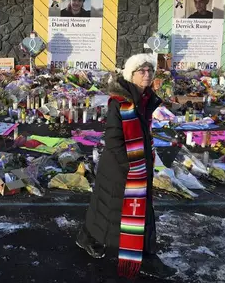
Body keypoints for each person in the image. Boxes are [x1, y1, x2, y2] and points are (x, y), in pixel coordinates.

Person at [76, 53, 176, 280]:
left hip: (140, 162)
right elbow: (113, 140)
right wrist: (130, 165)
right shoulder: (119, 103)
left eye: (150, 70)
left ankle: (146, 250)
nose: (147, 74)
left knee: (139, 209)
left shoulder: (147, 98)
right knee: (109, 209)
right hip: (119, 166)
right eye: (142, 71)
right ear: (131, 75)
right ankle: (88, 238)